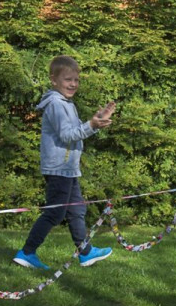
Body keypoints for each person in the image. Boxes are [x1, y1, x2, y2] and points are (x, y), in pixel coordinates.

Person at [13, 55, 115, 270]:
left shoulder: (67, 104)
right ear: (54, 79)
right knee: (55, 212)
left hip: (68, 168)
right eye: (68, 79)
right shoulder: (57, 105)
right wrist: (92, 125)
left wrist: (96, 120)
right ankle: (27, 252)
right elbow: (68, 135)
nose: (73, 84)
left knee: (76, 210)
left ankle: (85, 252)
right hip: (59, 168)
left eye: (76, 80)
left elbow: (78, 132)